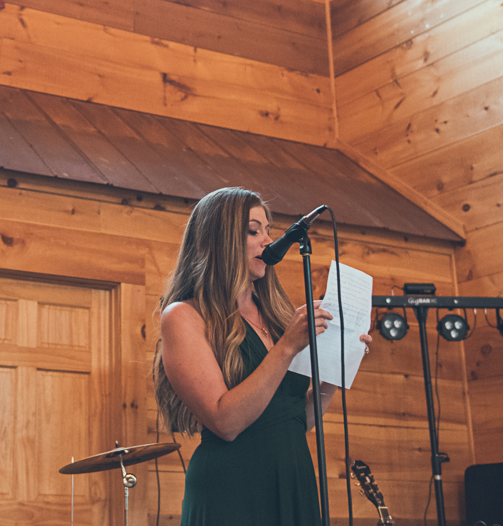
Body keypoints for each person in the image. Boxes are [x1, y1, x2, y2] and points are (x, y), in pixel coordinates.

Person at [153, 187, 372, 526]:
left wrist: (337, 364)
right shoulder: (183, 316)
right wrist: (286, 347)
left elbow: (297, 419)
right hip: (232, 487)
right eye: (253, 231)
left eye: (268, 230)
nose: (267, 242)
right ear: (221, 239)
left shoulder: (276, 315)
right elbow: (225, 423)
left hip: (293, 479)